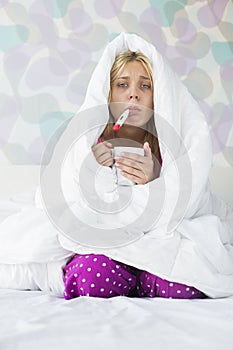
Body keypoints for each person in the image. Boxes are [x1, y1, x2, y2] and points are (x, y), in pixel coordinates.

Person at [61, 35, 232, 300]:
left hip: (159, 242)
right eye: (122, 84)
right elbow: (72, 195)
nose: (134, 93)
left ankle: (143, 282)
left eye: (145, 85)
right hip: (107, 243)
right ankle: (125, 278)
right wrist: (93, 173)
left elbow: (186, 196)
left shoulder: (173, 147)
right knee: (93, 276)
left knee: (187, 279)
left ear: (159, 95)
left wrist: (156, 180)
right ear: (107, 95)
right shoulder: (90, 144)